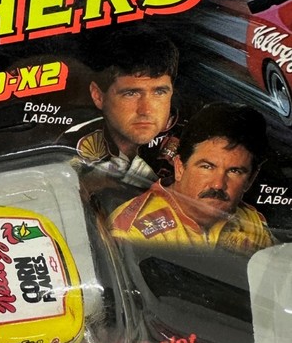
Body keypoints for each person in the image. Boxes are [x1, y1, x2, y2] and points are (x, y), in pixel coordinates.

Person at [107, 102, 274, 255]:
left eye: (234, 171)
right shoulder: (133, 233)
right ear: (179, 167)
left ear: (251, 179)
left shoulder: (250, 221)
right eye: (207, 167)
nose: (218, 184)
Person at [63, 27, 181, 211]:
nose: (146, 110)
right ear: (98, 96)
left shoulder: (198, 139)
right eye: (131, 93)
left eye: (159, 92)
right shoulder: (69, 146)